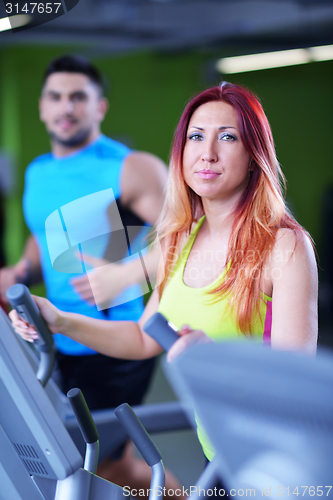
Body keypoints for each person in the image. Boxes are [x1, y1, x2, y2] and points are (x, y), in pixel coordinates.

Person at [11, 81, 318, 482]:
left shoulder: (283, 247)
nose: (207, 153)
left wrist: (218, 365)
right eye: (196, 137)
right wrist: (59, 320)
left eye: (227, 137)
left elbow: (297, 389)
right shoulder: (181, 239)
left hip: (273, 460)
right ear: (181, 152)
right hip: (219, 450)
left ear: (254, 156)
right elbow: (143, 339)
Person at [1, 54, 185, 495]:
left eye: (78, 97)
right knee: (98, 463)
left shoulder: (131, 168)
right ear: (43, 107)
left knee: (99, 463)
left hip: (115, 341)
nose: (66, 107)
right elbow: (46, 237)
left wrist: (126, 276)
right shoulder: (38, 171)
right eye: (56, 97)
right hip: (53, 337)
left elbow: (188, 241)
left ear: (99, 107)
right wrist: (23, 269)